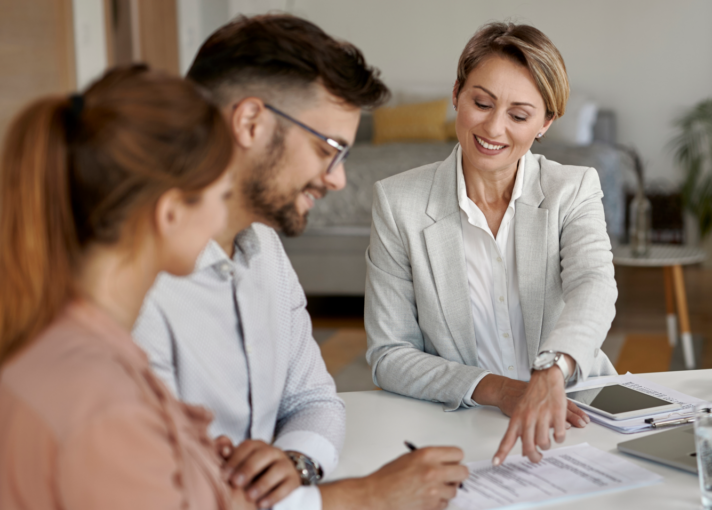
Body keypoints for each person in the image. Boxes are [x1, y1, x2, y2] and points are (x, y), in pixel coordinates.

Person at [132, 14, 467, 510]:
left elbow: (313, 400)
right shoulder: (134, 287)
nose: (338, 180)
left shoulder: (264, 248)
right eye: (327, 149)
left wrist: (295, 463)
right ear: (250, 122)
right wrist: (367, 496)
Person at [364, 22, 618, 467]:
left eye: (519, 115)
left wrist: (551, 372)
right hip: (458, 421)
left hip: (574, 415)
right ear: (457, 93)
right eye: (481, 103)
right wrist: (499, 389)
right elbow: (389, 355)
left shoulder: (573, 188)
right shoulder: (398, 201)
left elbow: (593, 284)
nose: (494, 128)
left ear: (546, 122)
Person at [0, 65, 241, 508]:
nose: (225, 221)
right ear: (170, 213)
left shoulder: (70, 345)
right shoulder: (102, 404)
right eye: (222, 197)